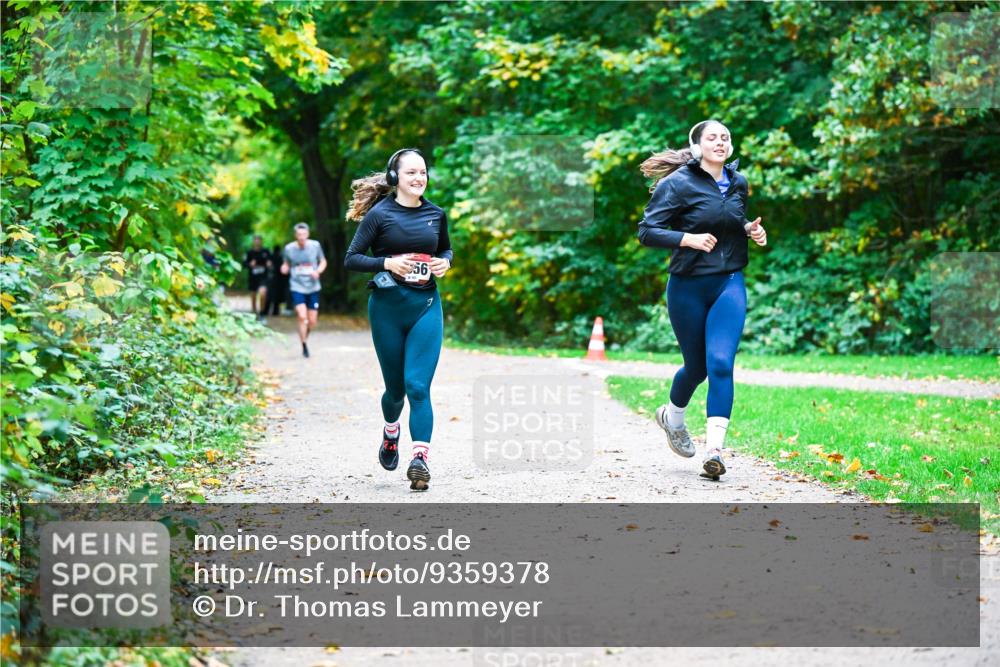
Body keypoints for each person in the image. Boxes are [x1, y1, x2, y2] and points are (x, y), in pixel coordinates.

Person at [637, 119, 767, 480]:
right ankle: (672, 417)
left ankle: (715, 452)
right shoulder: (677, 184)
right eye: (713, 137)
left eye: (726, 137)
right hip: (687, 286)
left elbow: (731, 218)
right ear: (697, 146)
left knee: (721, 362)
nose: (721, 142)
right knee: (697, 368)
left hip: (729, 282)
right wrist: (688, 239)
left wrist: (750, 230)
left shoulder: (738, 182)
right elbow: (647, 232)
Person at [344, 148, 452, 491]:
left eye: (422, 172)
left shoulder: (436, 214)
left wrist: (445, 262)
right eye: (411, 173)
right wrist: (387, 263)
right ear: (395, 178)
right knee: (395, 391)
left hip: (426, 305)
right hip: (388, 308)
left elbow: (445, 249)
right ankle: (391, 432)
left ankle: (420, 459)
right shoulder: (379, 215)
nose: (419, 178)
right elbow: (352, 258)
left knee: (418, 386)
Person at [280, 223, 327, 358]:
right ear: (296, 235)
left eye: (304, 234)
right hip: (297, 285)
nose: (301, 237)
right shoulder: (289, 249)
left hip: (313, 286)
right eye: (299, 235)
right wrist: (284, 267)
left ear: (308, 234)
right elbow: (286, 263)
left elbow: (323, 261)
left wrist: (318, 271)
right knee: (302, 316)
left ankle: (305, 336)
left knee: (312, 321)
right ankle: (304, 345)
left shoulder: (315, 246)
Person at [244, 235, 272, 320]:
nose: (257, 242)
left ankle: (262, 313)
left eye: (258, 240)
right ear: (253, 242)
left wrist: (269, 264)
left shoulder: (266, 251)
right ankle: (254, 314)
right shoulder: (249, 252)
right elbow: (244, 264)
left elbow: (271, 262)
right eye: (255, 240)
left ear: (261, 242)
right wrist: (250, 264)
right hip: (253, 278)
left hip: (263, 278)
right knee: (253, 296)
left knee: (263, 293)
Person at [265, 243, 289, 316]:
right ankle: (275, 311)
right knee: (276, 298)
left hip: (273, 280)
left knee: (269, 297)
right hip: (279, 281)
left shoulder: (271, 257)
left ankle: (266, 311)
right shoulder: (281, 258)